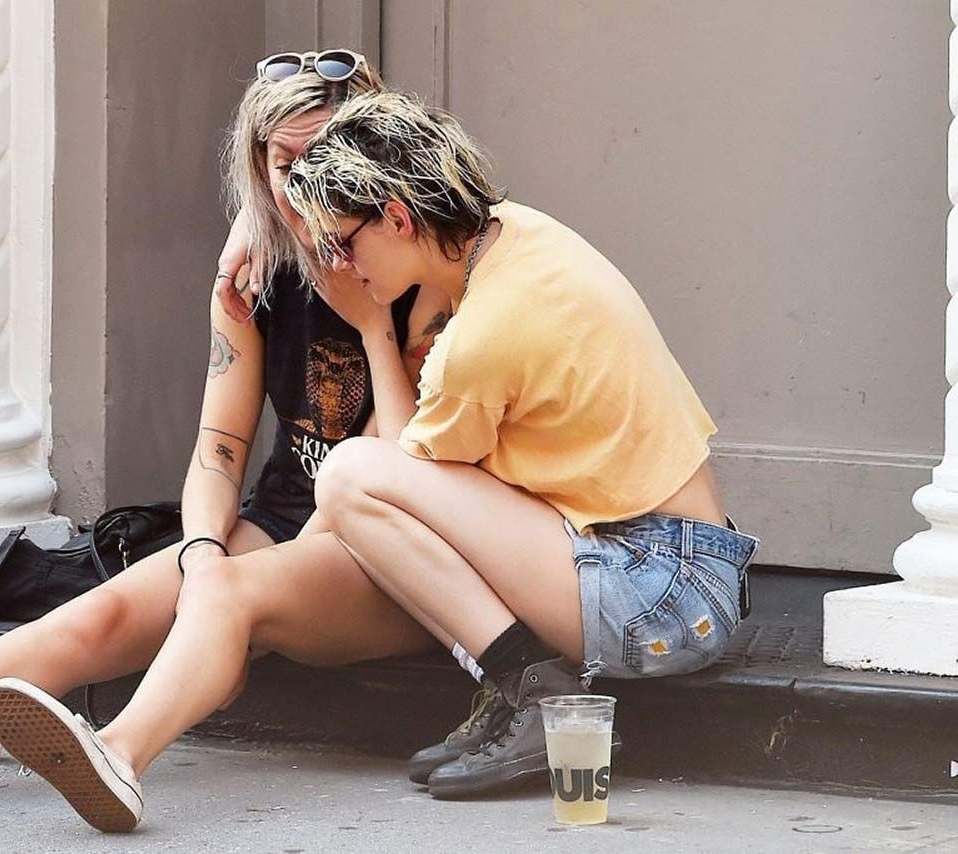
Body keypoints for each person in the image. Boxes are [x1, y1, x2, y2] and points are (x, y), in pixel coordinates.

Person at [0, 53, 460, 816]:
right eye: (285, 166)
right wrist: (203, 552)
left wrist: (372, 327)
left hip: (389, 555)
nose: (302, 191)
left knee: (230, 593)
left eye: (323, 161)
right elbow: (219, 449)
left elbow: (399, 475)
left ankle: (117, 753)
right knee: (109, 609)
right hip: (284, 521)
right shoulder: (256, 277)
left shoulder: (415, 273)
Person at [276, 90, 763, 799]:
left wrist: (267, 586)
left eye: (342, 242)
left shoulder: (481, 339)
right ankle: (517, 691)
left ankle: (534, 692)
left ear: (399, 219)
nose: (340, 265)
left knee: (351, 474)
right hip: (684, 572)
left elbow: (393, 490)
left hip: (658, 594)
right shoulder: (518, 235)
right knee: (362, 484)